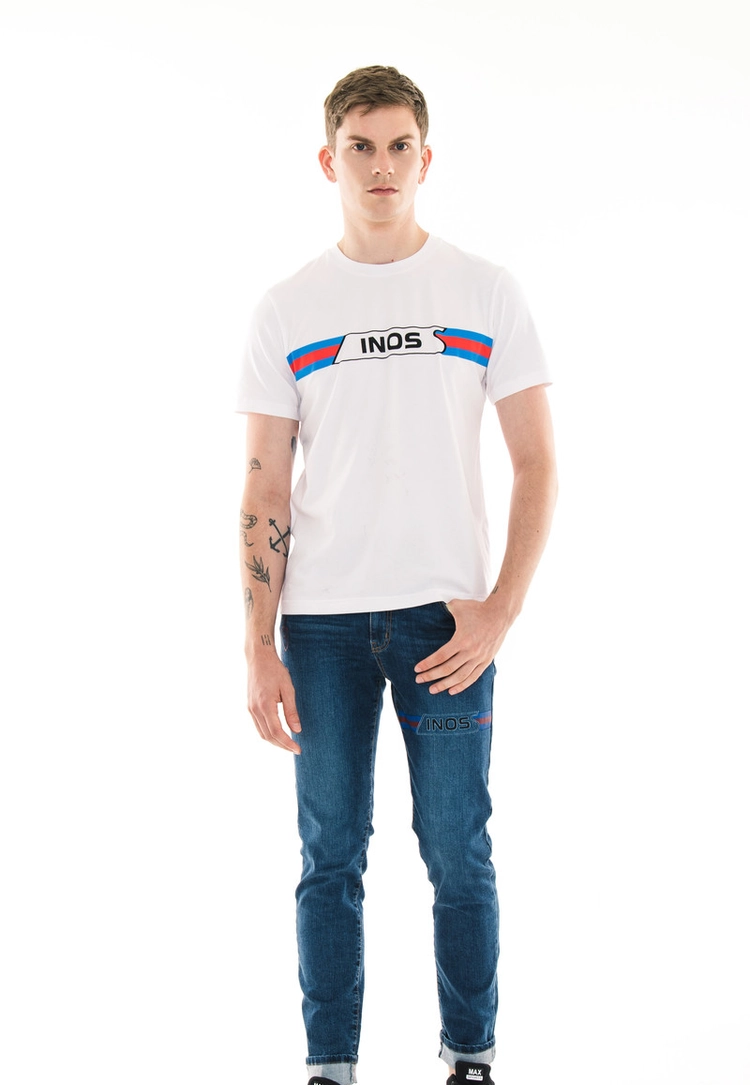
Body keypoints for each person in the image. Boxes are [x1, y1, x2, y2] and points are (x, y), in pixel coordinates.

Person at [237, 65, 557, 1085]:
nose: (382, 166)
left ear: (427, 157)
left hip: (445, 623)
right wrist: (256, 644)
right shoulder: (289, 307)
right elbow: (264, 484)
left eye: (399, 146)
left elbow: (538, 461)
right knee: (330, 854)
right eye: (361, 148)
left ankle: (471, 1057)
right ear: (328, 160)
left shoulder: (483, 289)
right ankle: (330, 1067)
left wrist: (502, 610)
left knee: (457, 849)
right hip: (321, 626)